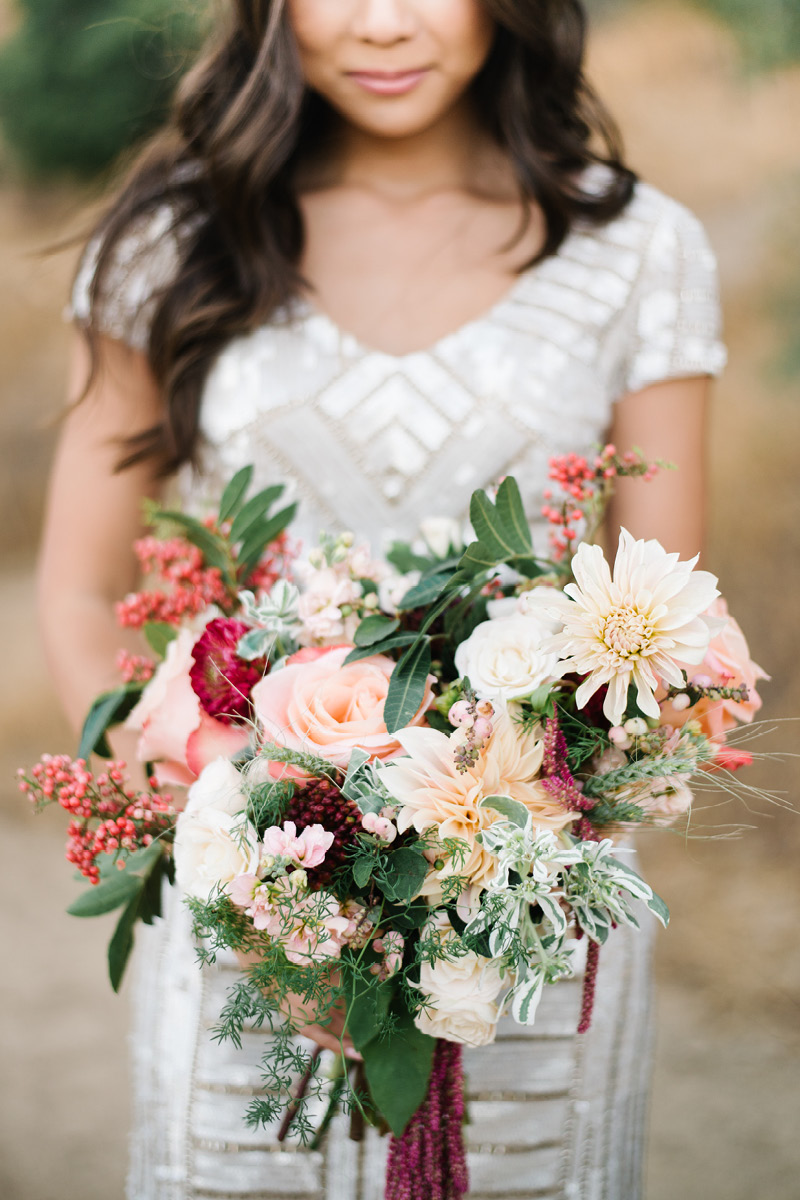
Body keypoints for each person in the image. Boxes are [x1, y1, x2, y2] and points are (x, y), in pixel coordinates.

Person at [38, 1, 726, 1197]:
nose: (383, 23)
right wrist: (238, 867)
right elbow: (83, 579)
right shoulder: (176, 237)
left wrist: (489, 865)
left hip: (521, 916)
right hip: (247, 906)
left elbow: (664, 623)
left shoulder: (636, 250)